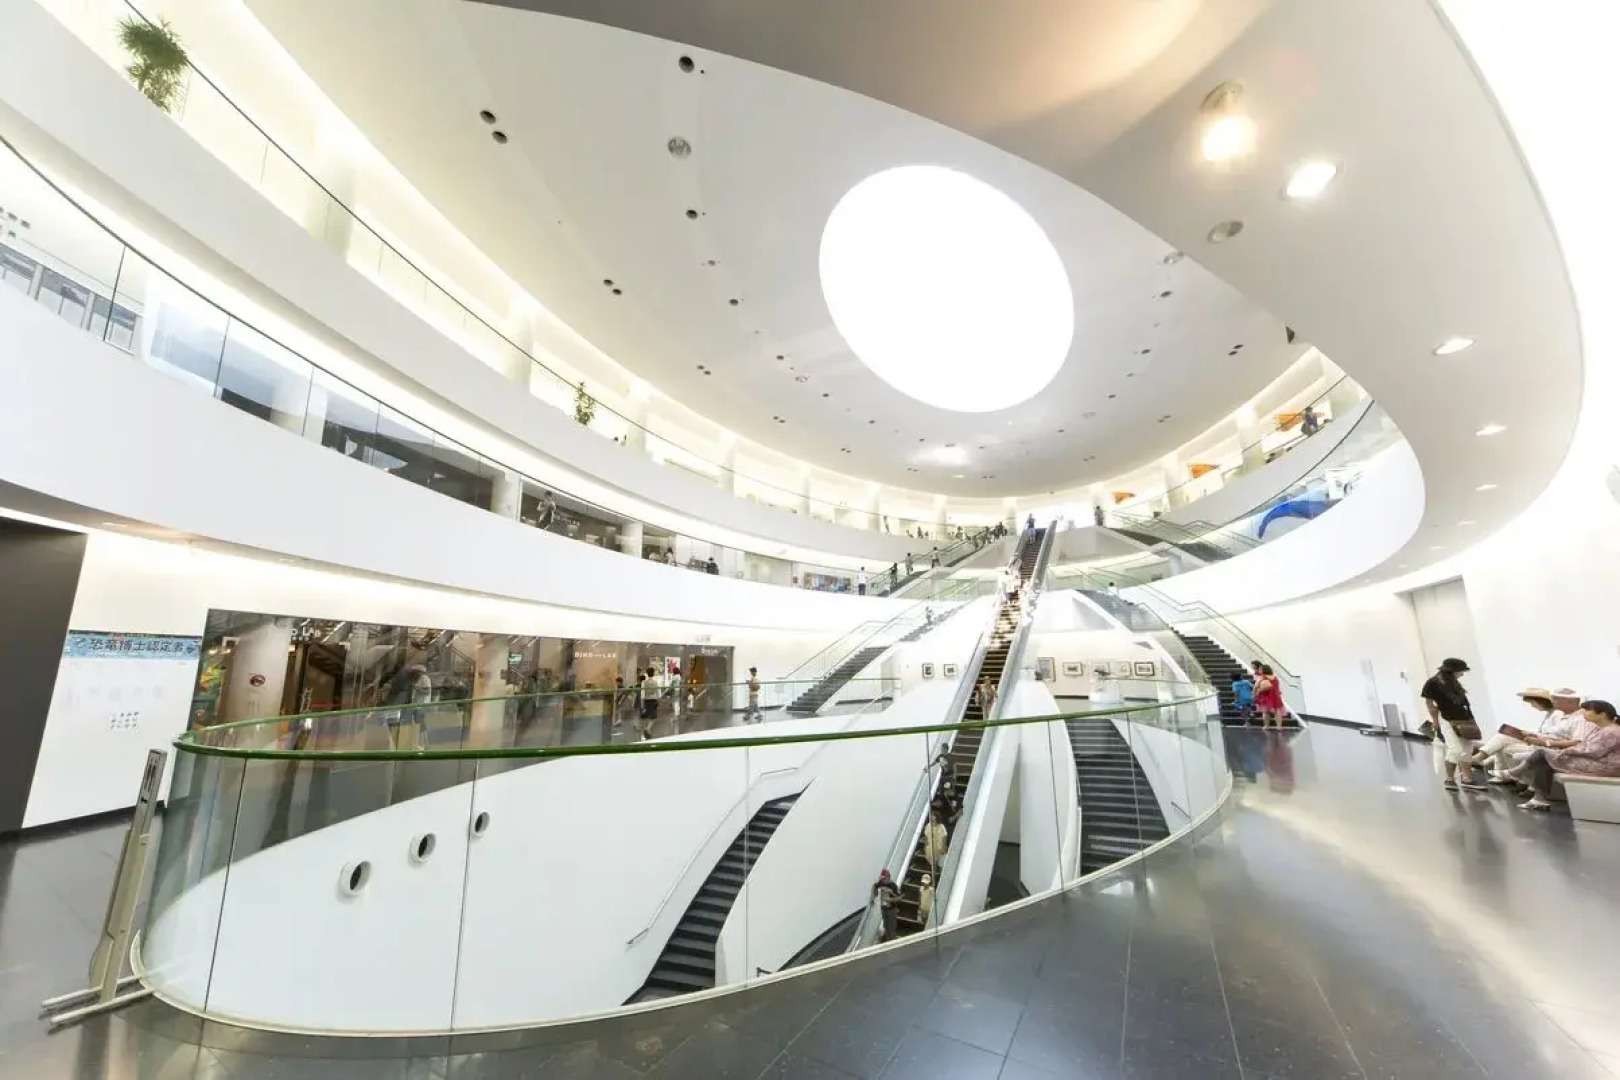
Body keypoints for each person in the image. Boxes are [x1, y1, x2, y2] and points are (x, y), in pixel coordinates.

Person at [1513, 700, 1620, 811]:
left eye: (1588, 710)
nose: (1584, 713)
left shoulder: (1611, 731)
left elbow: (1594, 752)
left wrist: (1568, 751)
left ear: (1602, 714)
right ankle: (1538, 798)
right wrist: (1568, 750)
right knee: (1544, 757)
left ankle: (1517, 776)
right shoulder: (1599, 728)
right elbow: (1585, 746)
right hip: (1595, 761)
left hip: (1604, 766)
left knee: (1543, 754)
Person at [1421, 657, 1486, 791]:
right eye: (1460, 671)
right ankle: (1449, 778)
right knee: (1455, 749)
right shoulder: (1432, 683)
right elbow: (1430, 704)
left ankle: (1467, 778)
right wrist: (1435, 721)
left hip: (1464, 717)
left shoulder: (1454, 683)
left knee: (1467, 748)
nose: (1462, 674)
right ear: (1452, 671)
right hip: (1447, 718)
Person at [1470, 687, 1556, 781]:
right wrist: (1530, 732)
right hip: (1538, 741)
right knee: (1503, 739)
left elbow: (1553, 734)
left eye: (1533, 703)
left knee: (1504, 741)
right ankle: (1499, 772)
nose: (1532, 706)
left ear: (1540, 701)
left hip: (1544, 745)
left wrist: (1532, 734)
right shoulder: (1549, 714)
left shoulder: (1556, 714)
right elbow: (1544, 731)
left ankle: (1482, 758)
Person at [872, 869, 901, 941]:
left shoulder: (893, 886)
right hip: (884, 909)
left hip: (891, 910)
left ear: (888, 877)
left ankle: (892, 940)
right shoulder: (881, 883)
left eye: (885, 878)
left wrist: (890, 899)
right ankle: (888, 939)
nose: (883, 880)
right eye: (882, 879)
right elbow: (875, 886)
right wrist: (874, 896)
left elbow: (899, 898)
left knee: (891, 927)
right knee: (886, 926)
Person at [1254, 664, 1285, 729]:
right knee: (1277, 712)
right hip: (1275, 696)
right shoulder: (1275, 677)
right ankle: (1279, 727)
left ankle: (1266, 726)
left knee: (1265, 712)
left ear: (1263, 670)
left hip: (1265, 696)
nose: (1259, 670)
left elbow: (1256, 686)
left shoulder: (1261, 677)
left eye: (1260, 669)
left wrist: (1254, 693)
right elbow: (1277, 687)